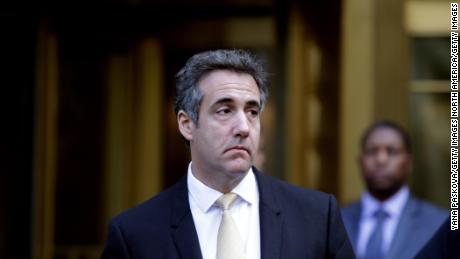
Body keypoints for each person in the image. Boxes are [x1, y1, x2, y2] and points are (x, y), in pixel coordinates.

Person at [101, 49, 355, 259]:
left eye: (252, 112)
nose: (244, 127)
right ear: (186, 124)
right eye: (225, 111)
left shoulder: (317, 218)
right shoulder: (135, 234)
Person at [341, 121, 448, 259]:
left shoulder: (439, 223)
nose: (381, 160)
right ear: (360, 161)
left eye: (392, 151)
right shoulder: (337, 220)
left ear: (409, 163)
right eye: (372, 151)